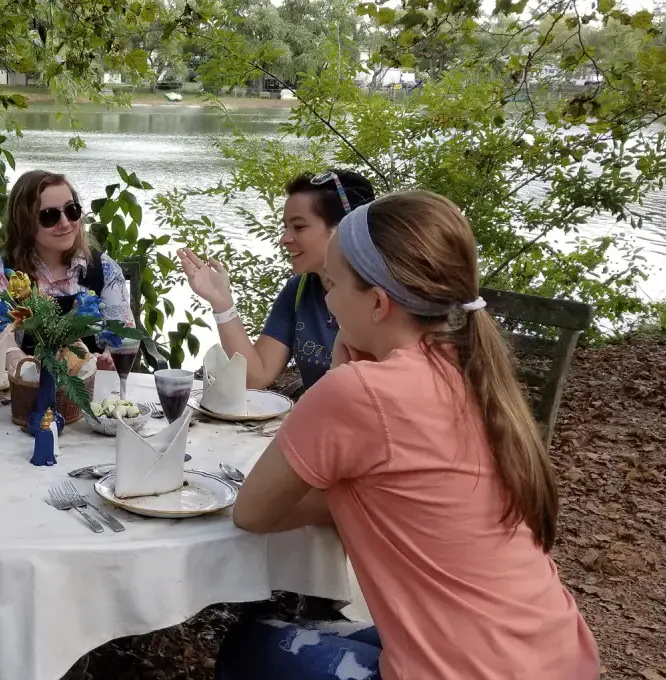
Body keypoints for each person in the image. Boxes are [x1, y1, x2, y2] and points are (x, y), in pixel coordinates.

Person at [219, 191, 599, 680]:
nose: (328, 302)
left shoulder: (360, 392)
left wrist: (340, 376)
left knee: (250, 646)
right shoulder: (472, 371)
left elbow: (252, 512)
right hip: (556, 656)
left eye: (332, 285)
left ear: (377, 303)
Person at [178, 169, 375, 390]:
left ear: (345, 227)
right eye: (285, 227)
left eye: (299, 227)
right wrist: (222, 302)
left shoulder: (383, 296)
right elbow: (254, 376)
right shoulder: (300, 290)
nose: (284, 239)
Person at [0, 169, 135, 370]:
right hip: (29, 387)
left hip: (94, 389)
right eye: (49, 216)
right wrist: (13, 355)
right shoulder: (4, 273)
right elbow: (1, 339)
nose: (65, 223)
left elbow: (123, 334)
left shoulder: (104, 269)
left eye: (72, 210)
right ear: (24, 222)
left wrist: (111, 358)